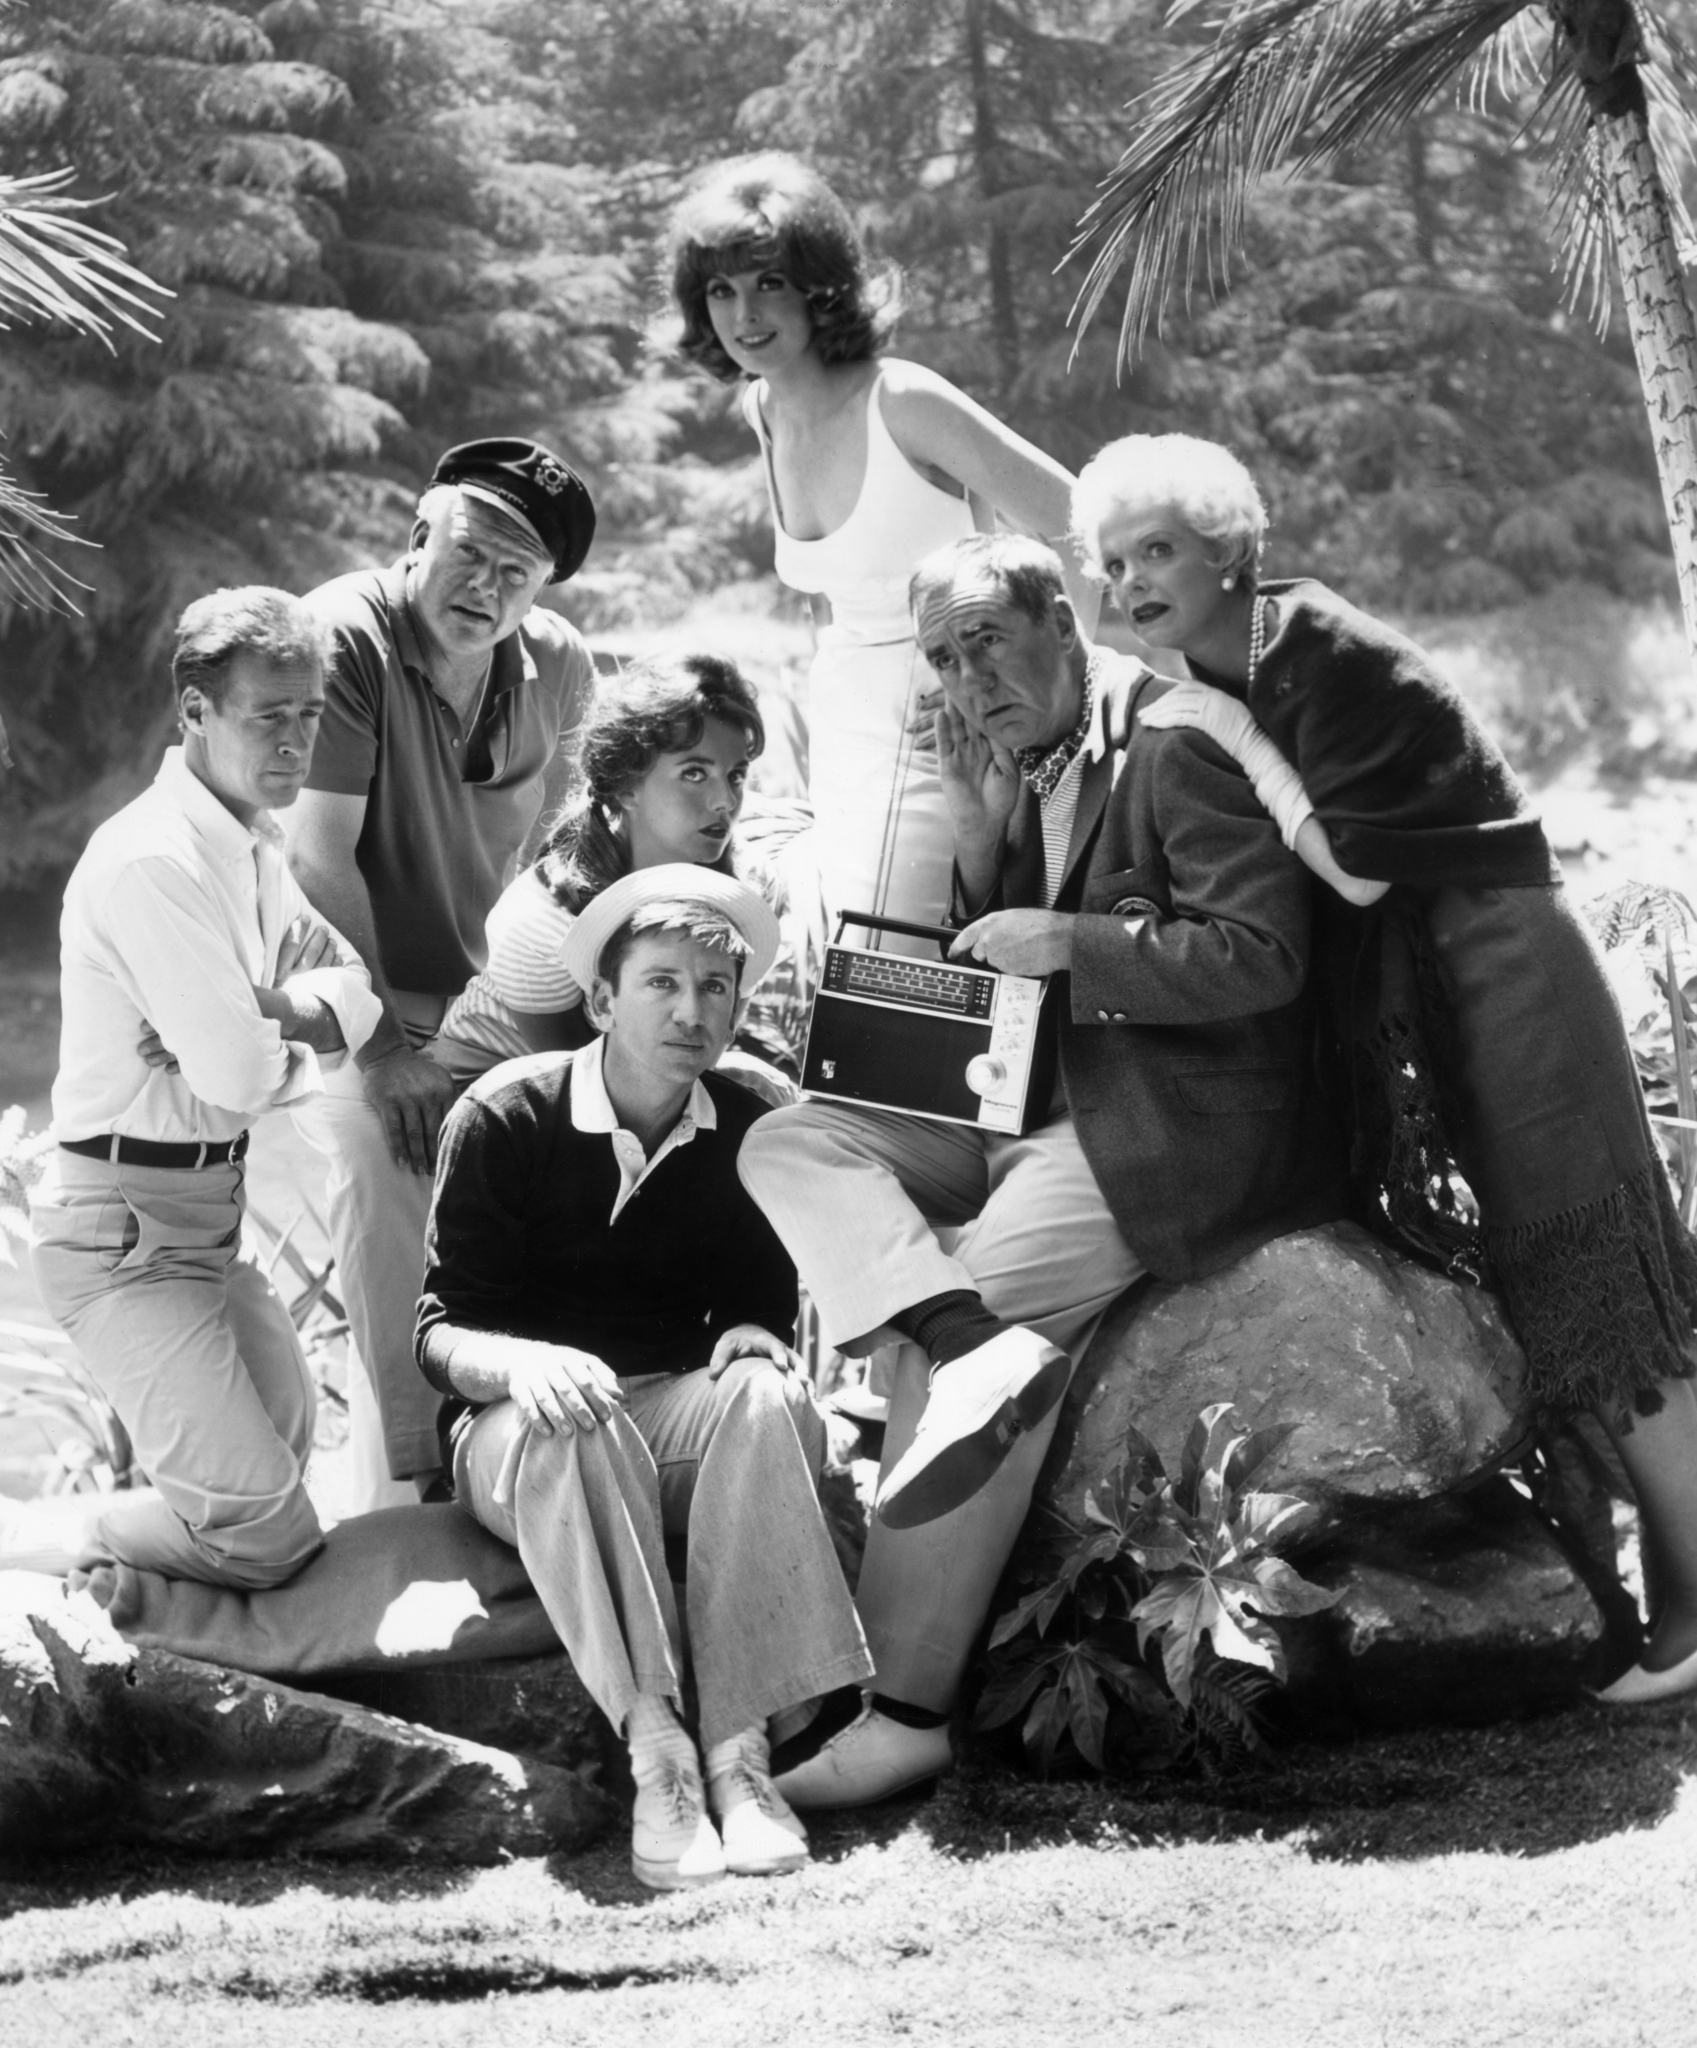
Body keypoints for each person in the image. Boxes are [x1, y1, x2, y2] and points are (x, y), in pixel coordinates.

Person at [1072, 431, 1697, 1705]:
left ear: (1228, 550)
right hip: (1449, 981)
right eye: (1113, 559)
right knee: (1564, 1287)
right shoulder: (1227, 656)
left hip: (1504, 968)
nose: (1132, 581)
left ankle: (1694, 1611)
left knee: (1597, 1283)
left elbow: (1357, 869)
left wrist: (1217, 731)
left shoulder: (1309, 648)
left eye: (1160, 551)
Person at [738, 534, 1346, 1805]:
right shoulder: (1023, 764)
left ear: (1065, 628)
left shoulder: (1175, 742)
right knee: (789, 1134)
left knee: (964, 1343)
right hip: (1021, 1109)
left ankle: (900, 1705)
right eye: (944, 659)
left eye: (989, 642)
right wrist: (980, 843)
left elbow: (1262, 955)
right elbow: (1008, 970)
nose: (967, 679)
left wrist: (1065, 934)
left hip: (1154, 1128)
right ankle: (956, 1326)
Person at [415, 867, 871, 1889]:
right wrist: (524, 1363)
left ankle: (739, 1755)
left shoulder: (755, 1110)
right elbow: (439, 1335)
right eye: (662, 981)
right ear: (602, 999)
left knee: (762, 1394)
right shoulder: (505, 1114)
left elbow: (760, 1296)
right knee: (574, 1413)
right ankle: (657, 1747)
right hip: (516, 1427)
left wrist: (759, 1334)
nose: (691, 1009)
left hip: (665, 1409)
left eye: (716, 986)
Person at [29, 588, 382, 1588]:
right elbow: (233, 1080)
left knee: (287, 1471)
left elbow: (352, 984)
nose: (295, 739)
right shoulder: (156, 862)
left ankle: (137, 1542)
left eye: (309, 713)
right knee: (266, 1539)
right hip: (124, 1237)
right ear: (193, 712)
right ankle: (41, 1544)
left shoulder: (255, 846)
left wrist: (273, 1006)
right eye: (268, 715)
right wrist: (295, 1032)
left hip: (205, 1225)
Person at [668, 153, 1102, 944]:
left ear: (818, 283)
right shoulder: (760, 409)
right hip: (844, 732)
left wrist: (1055, 700)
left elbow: (1080, 522)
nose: (744, 312)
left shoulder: (903, 399)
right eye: (720, 290)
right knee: (848, 953)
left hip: (954, 731)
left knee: (914, 958)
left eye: (769, 281)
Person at [285, 438, 598, 1501]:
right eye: (471, 552)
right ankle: (416, 1488)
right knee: (387, 1160)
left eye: (519, 571)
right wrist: (383, 1049)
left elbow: (568, 854)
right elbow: (311, 858)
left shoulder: (556, 662)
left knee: (579, 1151)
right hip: (340, 986)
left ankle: (541, 1465)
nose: (489, 587)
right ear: (418, 534)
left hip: (490, 991)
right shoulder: (340, 637)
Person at [431, 652, 785, 1109]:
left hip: (647, 1084)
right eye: (694, 773)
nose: (725, 801)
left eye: (736, 775)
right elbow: (582, 1086)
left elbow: (707, 1034)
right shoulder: (545, 919)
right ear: (625, 785)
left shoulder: (749, 893)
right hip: (499, 1092)